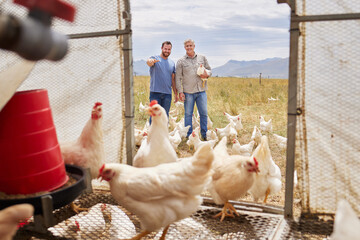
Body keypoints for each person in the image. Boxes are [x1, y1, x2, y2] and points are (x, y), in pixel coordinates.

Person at [175, 39, 211, 140]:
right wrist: (180, 92)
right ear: (184, 47)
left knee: (203, 113)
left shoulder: (202, 58)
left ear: (194, 46)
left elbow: (209, 70)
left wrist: (207, 74)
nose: (189, 47)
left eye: (191, 45)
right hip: (188, 93)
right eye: (187, 46)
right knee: (188, 115)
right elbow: (178, 78)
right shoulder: (181, 61)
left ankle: (204, 135)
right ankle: (189, 136)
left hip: (201, 91)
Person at [146, 41, 177, 123]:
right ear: (161, 48)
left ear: (171, 50)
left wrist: (176, 94)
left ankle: (163, 135)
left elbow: (173, 80)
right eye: (165, 49)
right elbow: (149, 62)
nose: (167, 51)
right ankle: (152, 135)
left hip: (167, 94)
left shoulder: (172, 63)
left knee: (165, 117)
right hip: (155, 93)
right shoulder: (155, 58)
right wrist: (150, 61)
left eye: (169, 49)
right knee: (154, 116)